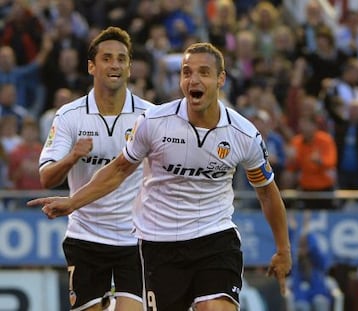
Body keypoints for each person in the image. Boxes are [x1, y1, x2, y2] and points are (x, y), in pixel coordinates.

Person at [28, 42, 292, 311]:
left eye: (204, 72)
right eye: (187, 72)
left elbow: (267, 192)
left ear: (221, 79)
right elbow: (119, 169)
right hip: (159, 244)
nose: (194, 80)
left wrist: (283, 250)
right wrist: (73, 202)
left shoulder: (243, 134)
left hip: (215, 238)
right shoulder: (154, 122)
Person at [33, 26, 154, 311]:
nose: (115, 65)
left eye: (122, 59)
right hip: (86, 237)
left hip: (136, 239)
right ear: (91, 66)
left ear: (129, 67)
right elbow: (47, 177)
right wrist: (73, 156)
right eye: (107, 58)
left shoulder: (149, 116)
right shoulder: (69, 116)